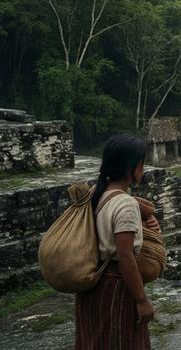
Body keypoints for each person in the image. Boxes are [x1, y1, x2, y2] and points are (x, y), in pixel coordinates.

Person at [75, 134, 159, 350]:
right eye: (142, 163)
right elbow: (125, 255)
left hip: (93, 286)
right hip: (116, 288)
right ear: (134, 167)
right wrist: (142, 300)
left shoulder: (96, 194)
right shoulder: (125, 204)